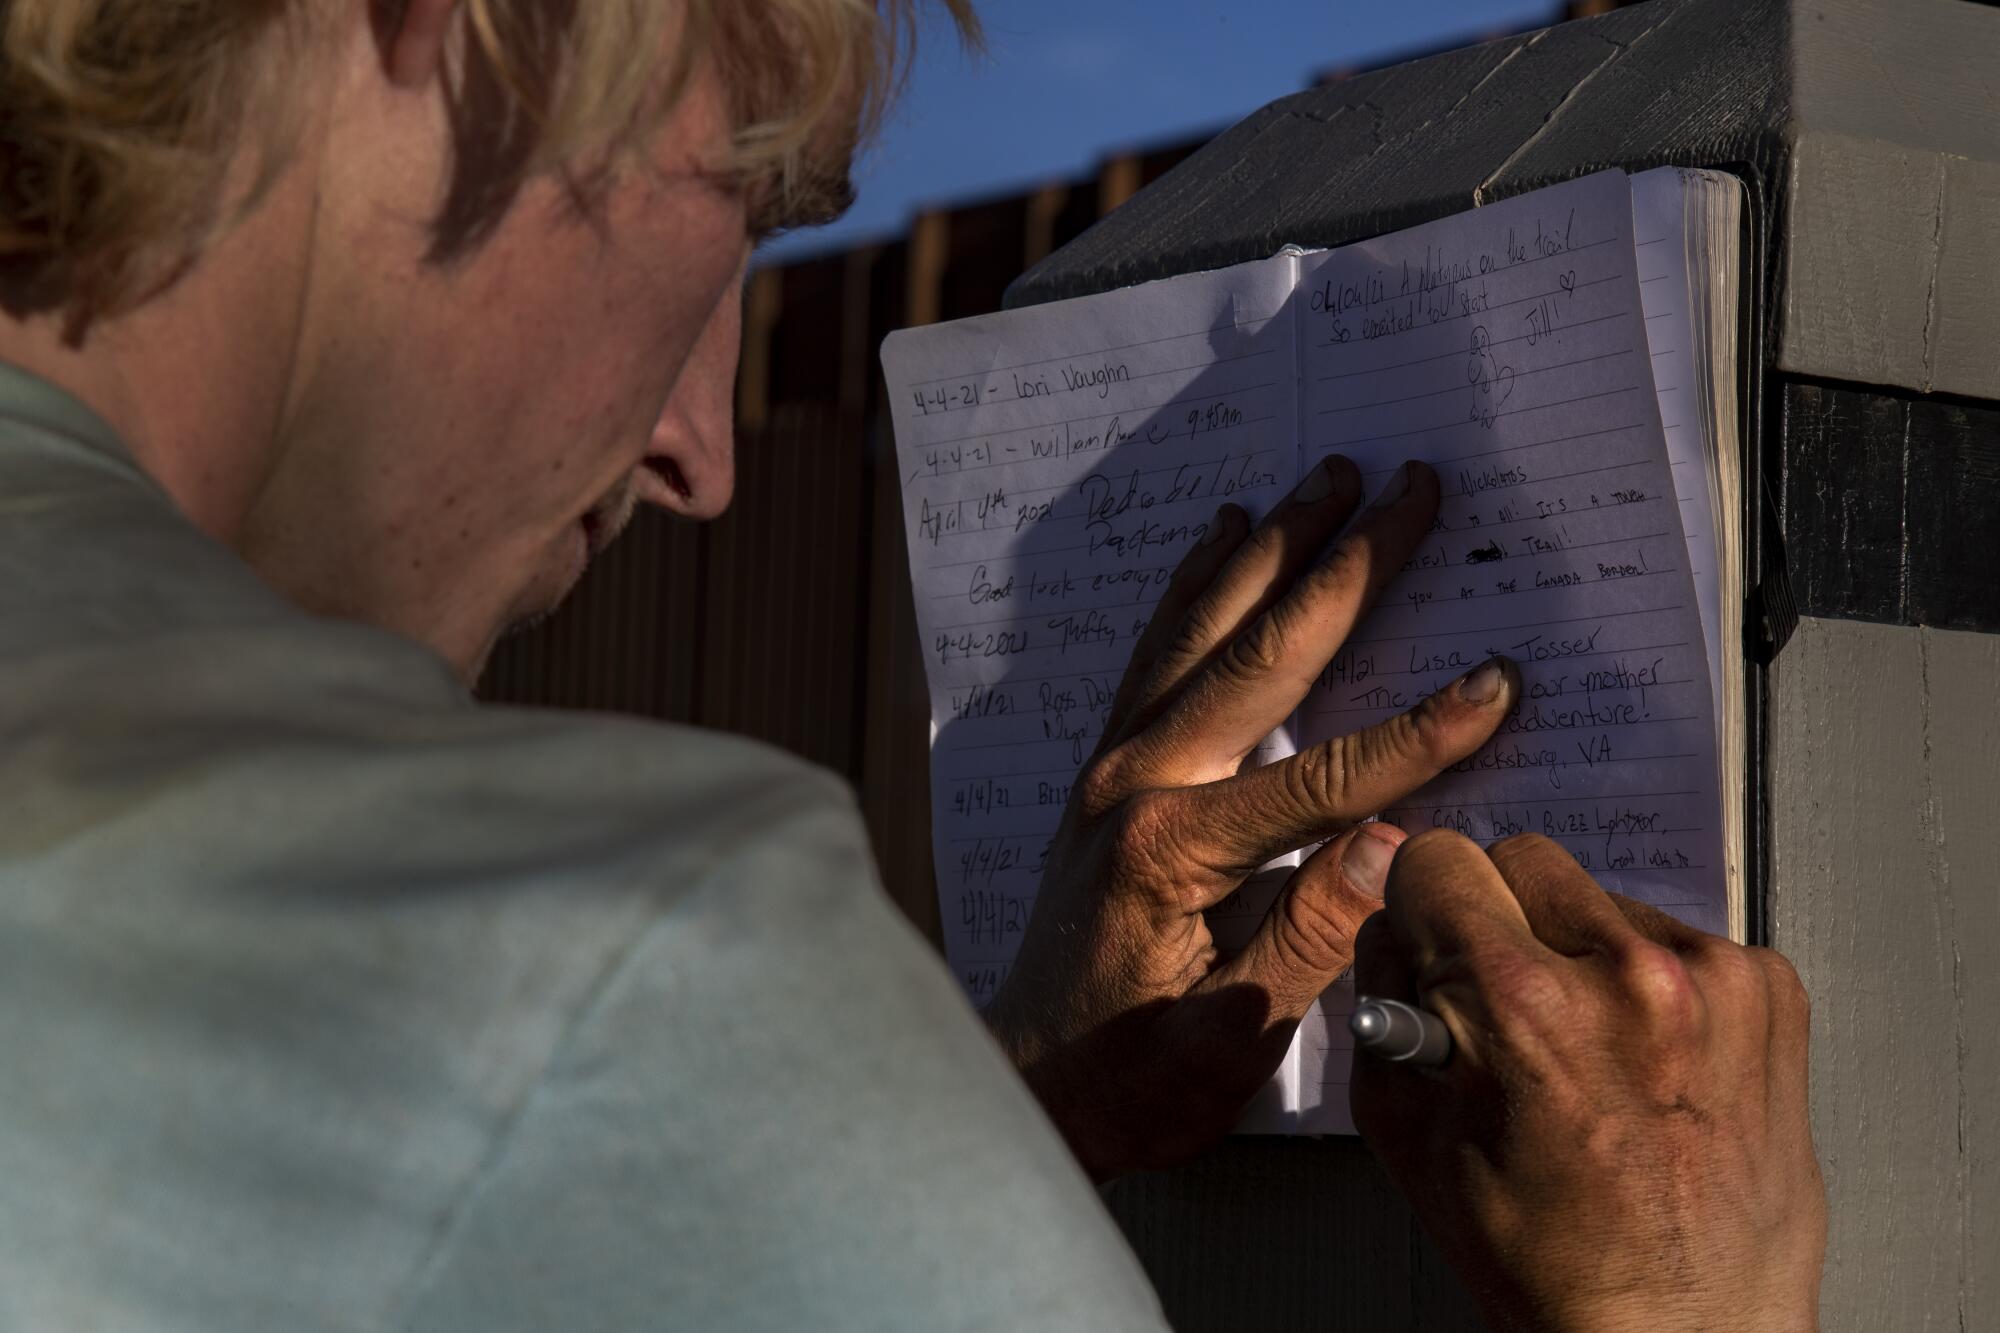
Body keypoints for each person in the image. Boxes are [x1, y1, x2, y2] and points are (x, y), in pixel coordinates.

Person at [0, 1, 1824, 1329]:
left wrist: (1010, 1107)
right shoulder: (581, 940)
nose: (699, 455)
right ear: (464, 31)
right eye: (741, 204)